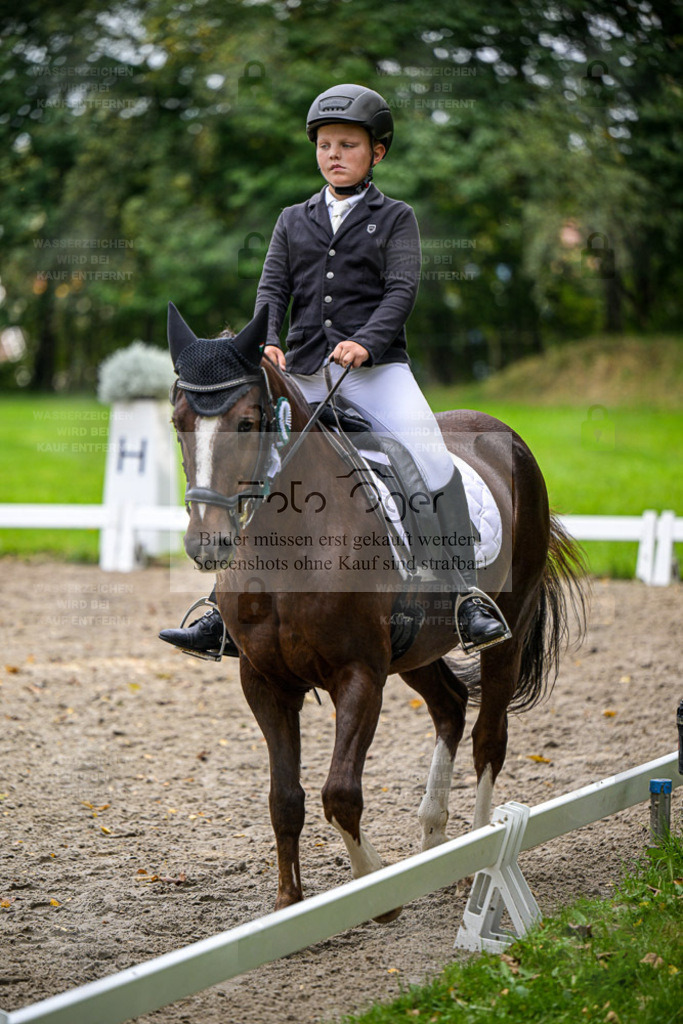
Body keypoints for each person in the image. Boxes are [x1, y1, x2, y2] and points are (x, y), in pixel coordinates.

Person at [160, 83, 509, 658]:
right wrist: (267, 342)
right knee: (253, 467)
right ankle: (224, 607)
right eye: (325, 144)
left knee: (427, 456)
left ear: (377, 153)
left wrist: (365, 343)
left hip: (377, 372)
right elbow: (272, 288)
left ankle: (460, 594)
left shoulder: (396, 217)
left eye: (348, 144)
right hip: (301, 372)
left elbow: (401, 291)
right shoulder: (292, 219)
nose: (335, 154)